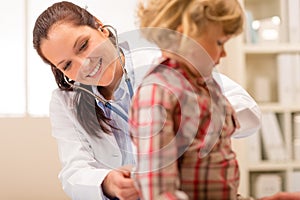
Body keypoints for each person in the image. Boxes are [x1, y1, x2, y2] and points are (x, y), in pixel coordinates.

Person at [32, 1, 260, 200]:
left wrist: (186, 120)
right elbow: (74, 171)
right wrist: (108, 182)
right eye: (67, 65)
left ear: (100, 28)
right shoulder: (65, 102)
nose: (84, 64)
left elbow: (248, 110)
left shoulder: (161, 61)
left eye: (83, 45)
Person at [129, 0, 249, 199]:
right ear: (185, 35)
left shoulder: (208, 87)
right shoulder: (158, 93)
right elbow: (160, 193)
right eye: (219, 42)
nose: (224, 53)